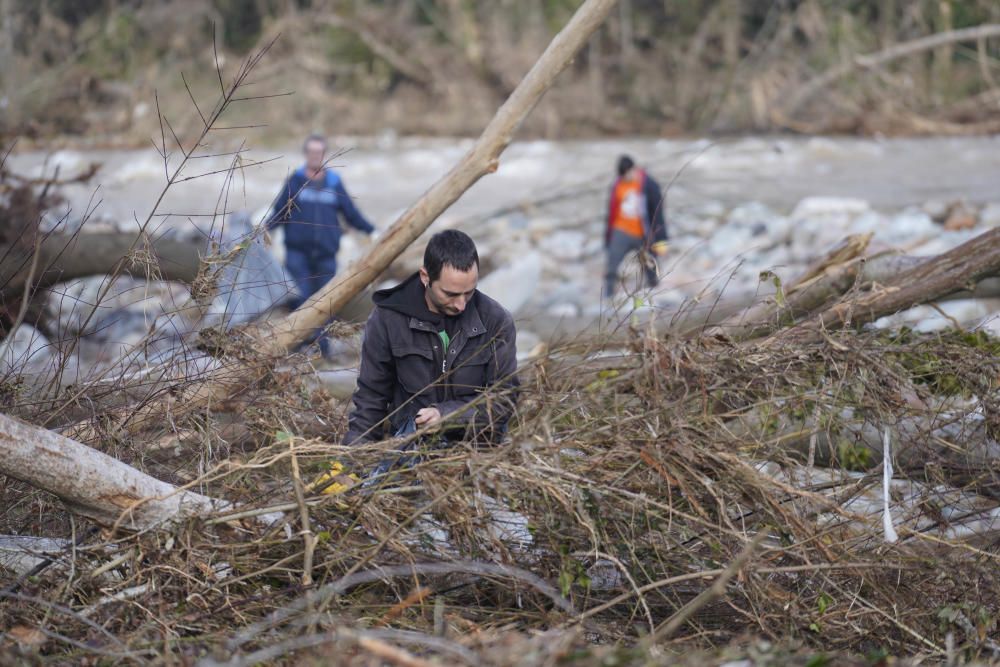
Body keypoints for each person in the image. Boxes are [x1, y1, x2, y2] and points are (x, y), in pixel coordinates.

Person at [345, 230, 519, 445]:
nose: (461, 304)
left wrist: (447, 416)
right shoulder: (388, 320)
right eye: (450, 294)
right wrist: (354, 458)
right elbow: (371, 399)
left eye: (469, 292)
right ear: (425, 277)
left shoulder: (496, 321)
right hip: (411, 447)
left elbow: (503, 399)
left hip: (478, 451)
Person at [267, 134, 375, 309]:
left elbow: (351, 213)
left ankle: (322, 338)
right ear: (305, 154)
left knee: (324, 305)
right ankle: (302, 337)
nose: (315, 155)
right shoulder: (295, 181)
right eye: (311, 152)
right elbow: (279, 212)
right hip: (297, 255)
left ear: (324, 154)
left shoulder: (334, 183)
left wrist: (371, 230)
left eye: (319, 152)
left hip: (326, 255)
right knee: (301, 301)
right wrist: (263, 231)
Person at [603, 154, 668, 300]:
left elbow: (658, 213)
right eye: (623, 175)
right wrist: (607, 236)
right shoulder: (617, 185)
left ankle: (654, 293)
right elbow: (611, 213)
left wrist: (661, 239)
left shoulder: (649, 185)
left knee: (650, 265)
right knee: (612, 264)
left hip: (642, 233)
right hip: (621, 231)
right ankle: (608, 296)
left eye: (628, 174)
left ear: (634, 169)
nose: (626, 178)